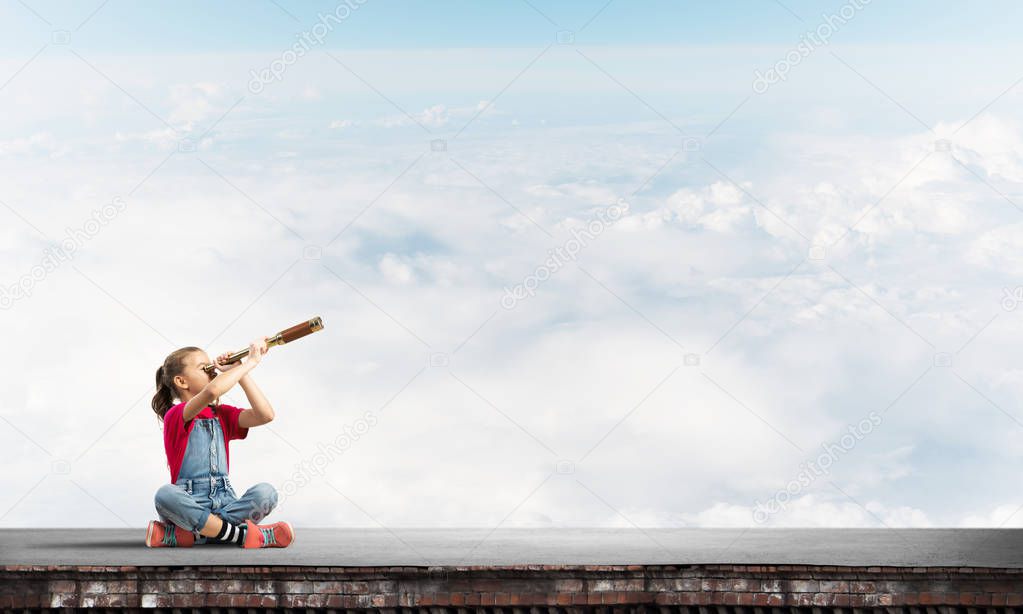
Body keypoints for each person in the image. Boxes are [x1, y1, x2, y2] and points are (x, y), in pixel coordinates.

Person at [146, 338, 294, 548]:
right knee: (165, 495)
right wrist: (251, 362)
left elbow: (265, 415)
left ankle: (193, 535)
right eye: (203, 367)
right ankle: (244, 536)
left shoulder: (222, 414)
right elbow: (212, 392)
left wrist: (241, 370)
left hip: (226, 502)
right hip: (189, 503)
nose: (211, 369)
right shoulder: (176, 415)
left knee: (267, 493)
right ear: (182, 382)